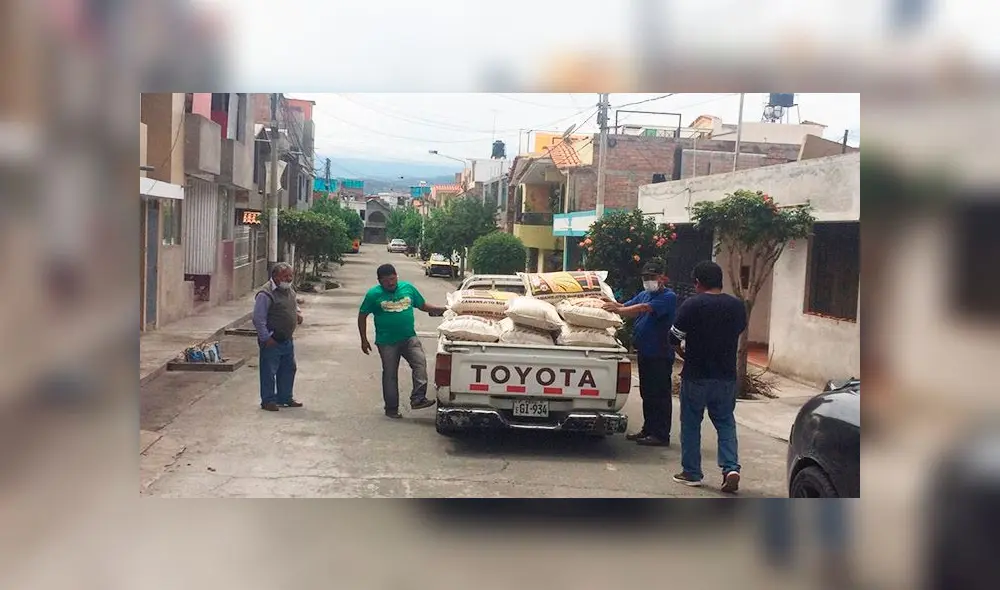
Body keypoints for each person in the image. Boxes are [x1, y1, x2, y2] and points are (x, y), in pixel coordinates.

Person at [669, 260, 748, 493]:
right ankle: (730, 468)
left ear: (698, 282)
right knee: (725, 422)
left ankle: (691, 472)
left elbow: (674, 337)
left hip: (696, 374)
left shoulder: (692, 305)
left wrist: (680, 349)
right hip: (726, 376)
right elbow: (739, 330)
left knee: (691, 423)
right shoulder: (736, 306)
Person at [603, 259, 677, 447]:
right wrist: (609, 303)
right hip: (645, 352)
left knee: (659, 395)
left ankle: (660, 434)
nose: (648, 281)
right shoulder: (644, 294)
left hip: (660, 354)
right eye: (646, 277)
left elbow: (641, 310)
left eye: (652, 277)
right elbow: (625, 305)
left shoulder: (668, 297)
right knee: (647, 393)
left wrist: (618, 309)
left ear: (662, 278)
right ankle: (648, 429)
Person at [358, 263, 446, 419]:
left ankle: (418, 398)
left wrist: (442, 310)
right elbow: (362, 315)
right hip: (386, 342)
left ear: (396, 276)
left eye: (392, 279)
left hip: (409, 337)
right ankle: (391, 408)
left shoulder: (408, 288)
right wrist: (364, 339)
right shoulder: (373, 294)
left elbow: (423, 305)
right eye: (386, 281)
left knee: (420, 363)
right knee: (390, 374)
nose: (391, 283)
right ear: (380, 281)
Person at [252, 262, 304, 412]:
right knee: (269, 371)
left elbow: (293, 304)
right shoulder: (265, 294)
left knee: (289, 368)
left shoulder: (289, 290)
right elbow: (258, 318)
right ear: (275, 276)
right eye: (285, 276)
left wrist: (297, 315)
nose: (289, 279)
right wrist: (266, 338)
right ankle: (268, 400)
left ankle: (285, 397)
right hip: (272, 340)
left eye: (290, 276)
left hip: (287, 339)